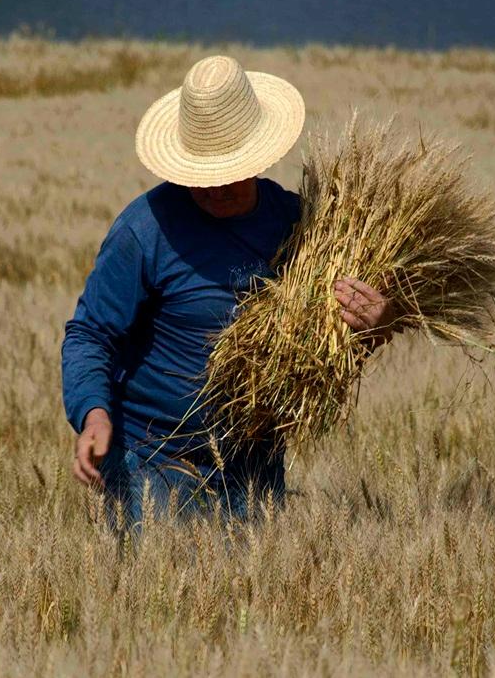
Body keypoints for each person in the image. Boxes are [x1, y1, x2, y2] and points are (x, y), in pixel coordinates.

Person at [61, 55, 395, 526]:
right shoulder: (144, 231)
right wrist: (93, 415)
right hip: (153, 464)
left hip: (256, 468)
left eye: (227, 174)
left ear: (258, 158)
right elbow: (90, 334)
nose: (215, 189)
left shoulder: (303, 228)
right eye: (202, 176)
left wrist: (376, 326)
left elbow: (326, 349)